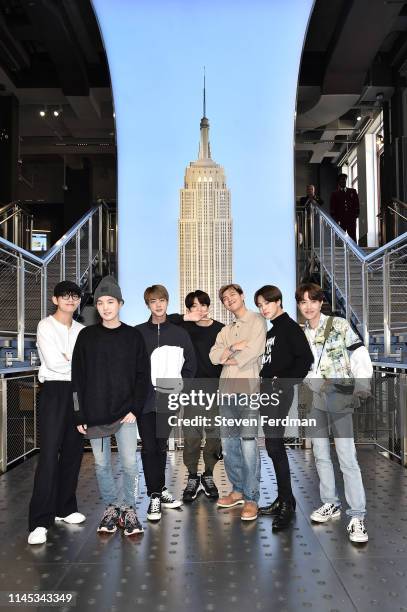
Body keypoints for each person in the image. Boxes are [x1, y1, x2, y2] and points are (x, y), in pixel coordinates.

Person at [72, 276, 150, 536]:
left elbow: (142, 376)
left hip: (125, 414)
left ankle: (128, 508)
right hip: (94, 415)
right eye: (100, 302)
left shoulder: (133, 336)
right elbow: (77, 379)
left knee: (129, 463)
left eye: (111, 301)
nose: (105, 307)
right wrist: (78, 413)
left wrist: (135, 409)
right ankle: (111, 507)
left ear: (120, 303)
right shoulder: (86, 337)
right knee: (101, 465)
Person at [296, 282, 372, 543]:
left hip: (340, 396)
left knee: (347, 457)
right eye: (303, 302)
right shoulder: (302, 334)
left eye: (312, 301)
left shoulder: (338, 325)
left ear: (320, 302)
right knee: (320, 454)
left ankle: (357, 516)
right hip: (316, 399)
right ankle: (330, 503)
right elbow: (302, 367)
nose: (308, 306)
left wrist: (362, 385)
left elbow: (359, 354)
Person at [28, 281, 85, 545]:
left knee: (74, 452)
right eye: (65, 296)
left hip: (77, 393)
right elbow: (53, 362)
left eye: (74, 296)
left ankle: (65, 508)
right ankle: (40, 520)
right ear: (55, 299)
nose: (70, 300)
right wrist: (71, 362)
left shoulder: (82, 330)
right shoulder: (45, 325)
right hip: (53, 391)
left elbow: (82, 367)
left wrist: (69, 359)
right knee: (49, 454)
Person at [254, 285, 313, 529]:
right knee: (273, 446)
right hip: (268, 393)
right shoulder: (273, 331)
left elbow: (305, 360)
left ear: (278, 301)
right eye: (259, 305)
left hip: (278, 394)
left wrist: (282, 382)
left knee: (275, 447)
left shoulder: (288, 327)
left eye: (266, 303)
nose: (263, 308)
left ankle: (287, 503)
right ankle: (283, 499)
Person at [136, 285, 196, 521]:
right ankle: (154, 495)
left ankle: (159, 490)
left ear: (167, 302)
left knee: (160, 446)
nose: (158, 305)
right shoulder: (138, 332)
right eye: (153, 301)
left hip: (168, 400)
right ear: (147, 304)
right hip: (143, 401)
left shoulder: (180, 334)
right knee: (149, 447)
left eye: (162, 300)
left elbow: (190, 365)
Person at [209, 283, 266, 521]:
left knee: (249, 445)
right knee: (229, 445)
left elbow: (254, 350)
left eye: (232, 295)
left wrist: (228, 357)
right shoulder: (226, 330)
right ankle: (238, 490)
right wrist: (233, 347)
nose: (229, 299)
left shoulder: (257, 321)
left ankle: (252, 498)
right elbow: (213, 356)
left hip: (248, 392)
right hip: (226, 393)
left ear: (242, 296)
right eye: (224, 298)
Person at [167, 290, 224, 502]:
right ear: (188, 309)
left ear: (209, 306)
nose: (199, 310)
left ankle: (208, 474)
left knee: (214, 436)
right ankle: (192, 476)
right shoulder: (183, 327)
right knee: (191, 436)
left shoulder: (220, 329)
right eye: (194, 307)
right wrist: (185, 318)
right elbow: (161, 320)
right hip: (190, 390)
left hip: (215, 389)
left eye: (203, 305)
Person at [330, 173, 360, 241]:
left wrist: (356, 214)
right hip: (340, 219)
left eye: (344, 179)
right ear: (338, 181)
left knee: (352, 236)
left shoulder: (352, 191)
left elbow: (356, 203)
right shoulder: (335, 193)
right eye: (342, 180)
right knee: (341, 237)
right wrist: (335, 219)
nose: (343, 181)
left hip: (351, 218)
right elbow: (332, 207)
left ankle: (354, 251)